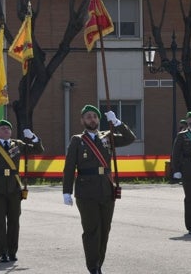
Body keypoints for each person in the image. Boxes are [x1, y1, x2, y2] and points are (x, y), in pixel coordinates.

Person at [62, 104, 136, 274]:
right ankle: (93, 266)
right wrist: (66, 191)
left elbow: (129, 138)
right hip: (86, 192)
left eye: (95, 116)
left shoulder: (108, 137)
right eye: (88, 117)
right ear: (82, 120)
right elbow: (69, 167)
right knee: (92, 230)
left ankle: (99, 263)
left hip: (106, 189)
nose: (92, 119)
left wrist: (117, 122)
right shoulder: (77, 140)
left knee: (104, 230)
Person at [0, 119, 44, 263]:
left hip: (14, 188)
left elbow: (38, 150)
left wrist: (33, 137)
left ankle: (12, 251)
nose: (6, 130)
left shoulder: (18, 144)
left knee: (14, 221)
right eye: (3, 128)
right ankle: (2, 252)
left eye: (8, 128)